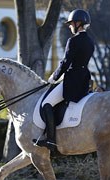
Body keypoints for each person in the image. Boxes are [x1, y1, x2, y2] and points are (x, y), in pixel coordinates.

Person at [33, 9, 95, 150]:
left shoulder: (73, 41)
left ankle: (51, 140)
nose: (69, 26)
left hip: (72, 81)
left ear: (78, 23)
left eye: (71, 23)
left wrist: (54, 77)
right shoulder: (90, 42)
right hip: (84, 79)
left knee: (47, 104)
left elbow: (66, 62)